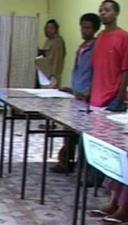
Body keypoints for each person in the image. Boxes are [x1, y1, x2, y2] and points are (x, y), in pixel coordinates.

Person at [89, 1, 128, 223]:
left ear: (117, 13)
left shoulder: (124, 37)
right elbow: (97, 68)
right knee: (108, 155)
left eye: (108, 10)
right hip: (97, 101)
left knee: (120, 155)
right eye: (101, 10)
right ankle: (113, 202)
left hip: (113, 103)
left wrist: (118, 97)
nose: (103, 13)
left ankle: (123, 207)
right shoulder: (101, 38)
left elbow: (125, 70)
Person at [50, 13, 101, 173]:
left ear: (94, 29)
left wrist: (89, 92)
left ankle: (81, 166)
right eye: (82, 27)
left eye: (87, 28)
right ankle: (65, 161)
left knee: (84, 133)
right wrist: (72, 89)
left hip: (88, 97)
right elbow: (79, 72)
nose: (83, 30)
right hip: (76, 94)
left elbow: (96, 72)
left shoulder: (96, 47)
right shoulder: (82, 47)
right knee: (68, 129)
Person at [35, 19, 66, 88]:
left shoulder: (57, 42)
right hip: (44, 74)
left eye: (51, 28)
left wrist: (53, 76)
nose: (48, 30)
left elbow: (56, 61)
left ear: (56, 29)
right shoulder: (48, 40)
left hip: (51, 76)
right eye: (47, 28)